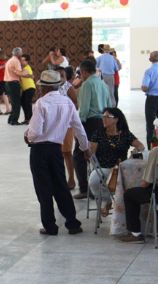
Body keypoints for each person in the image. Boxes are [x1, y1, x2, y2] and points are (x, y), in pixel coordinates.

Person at [24, 70, 91, 235]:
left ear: (44, 88)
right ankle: (72, 223)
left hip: (39, 150)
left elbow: (35, 131)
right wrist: (85, 147)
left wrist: (27, 136)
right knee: (61, 186)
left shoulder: (41, 103)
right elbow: (78, 128)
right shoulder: (67, 103)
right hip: (56, 149)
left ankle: (50, 226)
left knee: (43, 189)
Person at [90, 108, 145, 216]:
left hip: (121, 168)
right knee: (94, 181)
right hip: (103, 168)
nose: (104, 119)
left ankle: (121, 205)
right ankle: (108, 201)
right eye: (103, 116)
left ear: (116, 120)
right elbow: (92, 154)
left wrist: (134, 151)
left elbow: (141, 146)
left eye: (107, 117)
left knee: (136, 182)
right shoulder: (98, 133)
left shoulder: (125, 134)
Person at [74, 59, 110, 199]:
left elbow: (84, 110)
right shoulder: (103, 84)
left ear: (83, 72)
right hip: (102, 121)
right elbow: (109, 105)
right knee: (98, 154)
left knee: (79, 154)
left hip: (89, 123)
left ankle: (85, 188)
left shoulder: (87, 84)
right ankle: (99, 186)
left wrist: (79, 130)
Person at [56, 66, 78, 190]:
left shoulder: (68, 87)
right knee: (56, 153)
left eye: (62, 75)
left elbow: (76, 104)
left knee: (67, 152)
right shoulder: (51, 88)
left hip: (67, 125)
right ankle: (60, 178)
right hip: (54, 125)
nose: (60, 78)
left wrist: (65, 108)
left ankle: (71, 178)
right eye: (57, 75)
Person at [4, 47, 25, 126]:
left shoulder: (10, 60)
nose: (22, 53)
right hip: (13, 83)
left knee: (13, 102)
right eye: (21, 52)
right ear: (18, 53)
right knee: (16, 103)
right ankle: (14, 120)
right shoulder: (16, 61)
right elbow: (19, 73)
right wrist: (25, 73)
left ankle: (11, 119)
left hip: (8, 83)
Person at [19, 54, 36, 125]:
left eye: (23, 60)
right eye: (21, 60)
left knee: (27, 103)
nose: (21, 61)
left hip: (30, 87)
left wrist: (15, 71)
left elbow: (23, 74)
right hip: (25, 89)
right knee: (23, 103)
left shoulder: (27, 67)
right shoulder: (22, 68)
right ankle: (27, 119)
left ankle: (30, 119)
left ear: (27, 61)